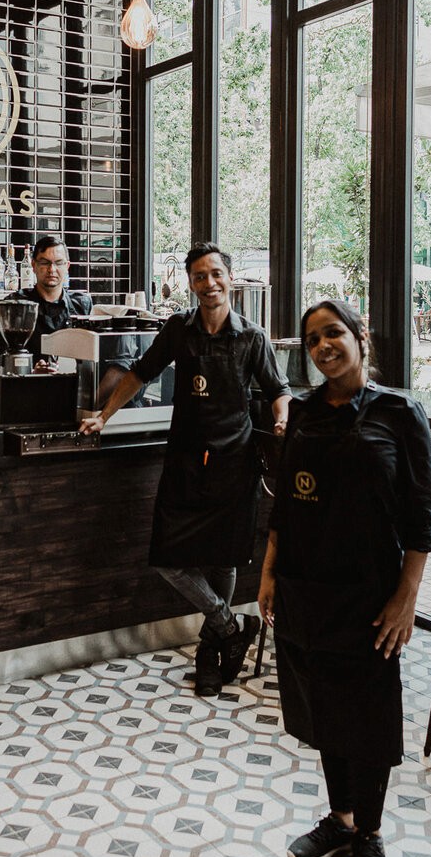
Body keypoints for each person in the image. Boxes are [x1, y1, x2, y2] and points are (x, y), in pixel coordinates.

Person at [258, 299, 431, 857]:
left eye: (333, 333)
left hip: (370, 591)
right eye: (312, 340)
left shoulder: (400, 410)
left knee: (369, 713)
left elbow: (421, 518)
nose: (322, 346)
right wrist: (269, 573)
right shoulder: (304, 412)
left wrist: (407, 596)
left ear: (361, 337)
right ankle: (341, 819)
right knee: (323, 707)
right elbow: (283, 504)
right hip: (307, 586)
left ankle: (372, 833)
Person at [81, 244, 290, 697]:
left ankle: (210, 652)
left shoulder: (252, 336)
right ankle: (229, 623)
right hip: (185, 462)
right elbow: (138, 374)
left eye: (216, 273)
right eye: (199, 276)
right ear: (191, 284)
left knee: (224, 558)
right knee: (168, 559)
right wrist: (104, 415)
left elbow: (279, 388)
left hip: (235, 464)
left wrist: (282, 418)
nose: (209, 283)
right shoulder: (179, 330)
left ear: (230, 278)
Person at [3, 234, 92, 368]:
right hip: (27, 385)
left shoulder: (82, 305)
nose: (52, 269)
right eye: (45, 263)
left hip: (73, 385)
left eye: (58, 263)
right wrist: (31, 368)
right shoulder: (16, 304)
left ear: (67, 266)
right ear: (33, 265)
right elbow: (2, 356)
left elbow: (91, 354)